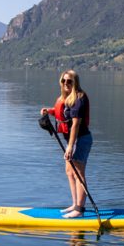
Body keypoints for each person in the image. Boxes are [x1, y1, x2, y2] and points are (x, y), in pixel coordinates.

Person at [40, 69, 93, 218]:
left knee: (79, 174)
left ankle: (79, 209)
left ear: (75, 82)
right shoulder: (66, 98)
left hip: (80, 140)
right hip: (71, 140)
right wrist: (49, 111)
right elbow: (63, 113)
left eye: (69, 81)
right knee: (70, 172)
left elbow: (75, 124)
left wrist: (70, 146)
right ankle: (74, 204)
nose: (66, 84)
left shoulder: (79, 98)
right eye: (63, 81)